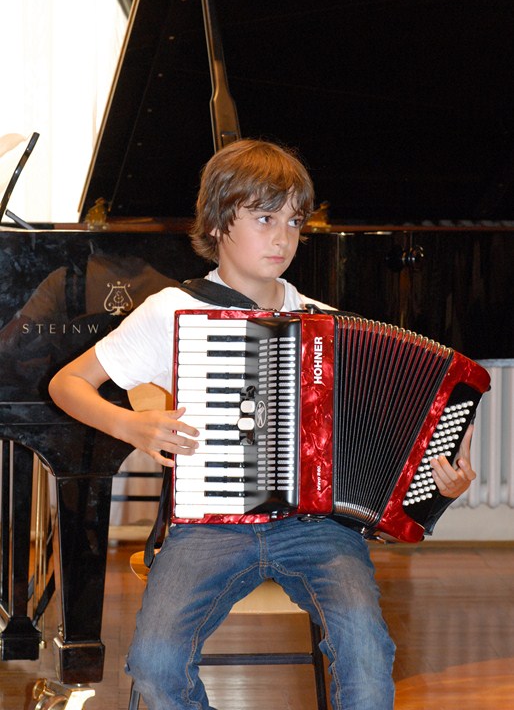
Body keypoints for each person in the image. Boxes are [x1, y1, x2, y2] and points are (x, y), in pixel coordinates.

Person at [49, 138, 476, 710]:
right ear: (219, 221)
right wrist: (133, 426)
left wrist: (441, 479)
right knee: (154, 663)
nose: (283, 237)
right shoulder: (172, 309)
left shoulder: (325, 323)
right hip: (208, 528)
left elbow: (395, 443)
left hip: (318, 528)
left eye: (294, 222)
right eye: (264, 218)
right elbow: (66, 384)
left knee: (368, 656)